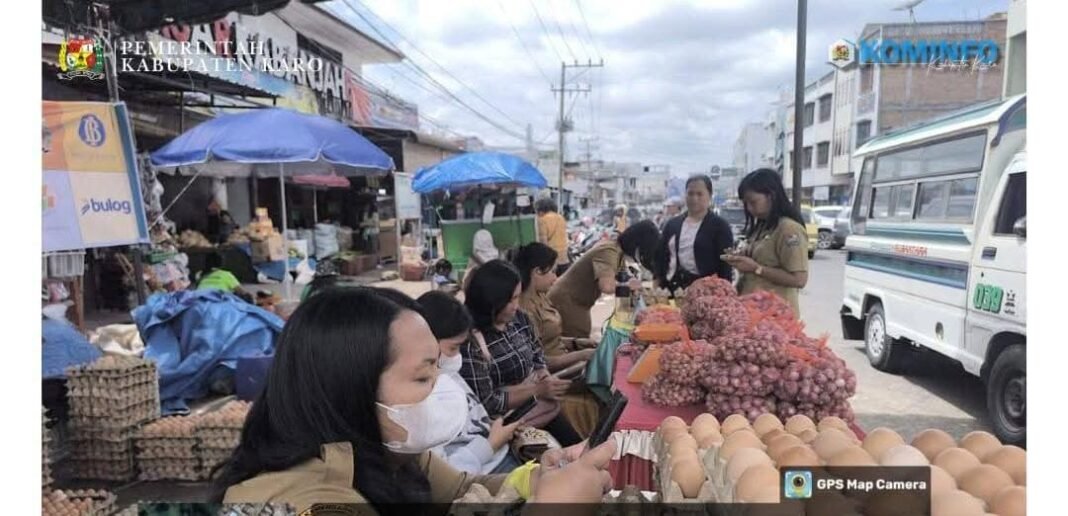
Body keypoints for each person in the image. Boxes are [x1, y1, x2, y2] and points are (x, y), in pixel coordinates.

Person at [216, 287, 615, 513]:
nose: (441, 386)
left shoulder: (389, 451)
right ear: (353, 386)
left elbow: (462, 488)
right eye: (423, 375)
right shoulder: (298, 502)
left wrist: (536, 478)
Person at [461, 260, 582, 447]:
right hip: (508, 426)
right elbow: (488, 403)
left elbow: (536, 353)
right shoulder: (471, 343)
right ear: (491, 301)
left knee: (578, 448)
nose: (516, 305)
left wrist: (543, 374)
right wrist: (537, 390)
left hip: (539, 408)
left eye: (517, 297)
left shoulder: (519, 318)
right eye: (510, 300)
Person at [418, 291, 523, 475]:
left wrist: (494, 425)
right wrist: (490, 445)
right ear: (427, 342)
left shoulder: (447, 374)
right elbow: (446, 478)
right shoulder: (423, 397)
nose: (458, 356)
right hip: (483, 472)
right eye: (453, 347)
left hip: (498, 455)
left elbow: (472, 418)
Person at [511, 243, 601, 437]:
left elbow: (550, 338)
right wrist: (582, 354)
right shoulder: (524, 311)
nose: (555, 278)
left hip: (564, 363)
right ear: (536, 272)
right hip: (555, 374)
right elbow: (539, 360)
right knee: (601, 384)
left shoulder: (542, 297)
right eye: (551, 272)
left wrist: (576, 342)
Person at [549, 221, 660, 338]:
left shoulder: (615, 250)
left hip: (577, 302)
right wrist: (629, 285)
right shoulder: (608, 252)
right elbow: (607, 286)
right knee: (579, 342)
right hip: (568, 301)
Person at [724, 168, 810, 317]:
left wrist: (757, 268)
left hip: (776, 317)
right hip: (752, 312)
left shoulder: (789, 229)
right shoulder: (763, 226)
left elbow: (799, 279)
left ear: (771, 196)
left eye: (753, 202)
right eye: (746, 204)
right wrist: (741, 257)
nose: (750, 209)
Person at [654, 175, 735, 292]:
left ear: (710, 196)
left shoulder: (720, 227)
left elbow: (725, 265)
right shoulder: (672, 224)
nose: (694, 198)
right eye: (690, 194)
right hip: (673, 288)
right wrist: (658, 281)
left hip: (706, 291)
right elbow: (661, 256)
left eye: (699, 194)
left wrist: (724, 292)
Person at [535, 198, 571, 276]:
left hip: (553, 261)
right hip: (564, 260)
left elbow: (543, 243)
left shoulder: (542, 220)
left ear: (541, 209)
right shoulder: (561, 218)